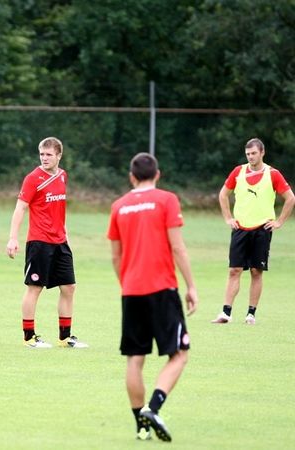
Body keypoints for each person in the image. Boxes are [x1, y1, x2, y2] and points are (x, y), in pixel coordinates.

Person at [107, 152, 198, 442]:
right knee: (180, 353)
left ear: (131, 177)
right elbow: (178, 247)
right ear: (157, 175)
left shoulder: (118, 206)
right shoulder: (167, 200)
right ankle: (154, 408)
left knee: (135, 358)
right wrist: (191, 286)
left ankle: (141, 426)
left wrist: (127, 283)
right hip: (162, 289)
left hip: (131, 291)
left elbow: (115, 256)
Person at [6, 137, 87, 349]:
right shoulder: (33, 178)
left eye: (49, 154)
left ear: (59, 156)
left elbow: (59, 210)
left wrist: (66, 235)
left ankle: (64, 337)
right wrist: (13, 238)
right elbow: (20, 208)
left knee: (69, 287)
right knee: (35, 288)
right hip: (39, 242)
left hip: (60, 242)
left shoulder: (62, 176)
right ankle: (29, 337)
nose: (44, 158)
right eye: (42, 154)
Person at [212, 138, 295, 325]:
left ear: (262, 153)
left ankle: (251, 314)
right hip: (240, 228)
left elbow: (290, 198)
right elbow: (223, 194)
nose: (250, 157)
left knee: (257, 272)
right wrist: (228, 218)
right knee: (234, 270)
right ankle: (226, 313)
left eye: (254, 153)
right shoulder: (238, 172)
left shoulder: (273, 174)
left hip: (262, 230)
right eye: (248, 153)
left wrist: (279, 221)